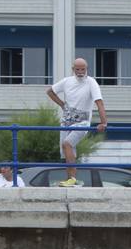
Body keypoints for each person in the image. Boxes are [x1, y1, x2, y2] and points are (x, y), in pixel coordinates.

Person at [46, 58, 108, 187]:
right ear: (73, 69)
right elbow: (50, 91)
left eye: (83, 69)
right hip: (66, 121)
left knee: (67, 144)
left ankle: (73, 178)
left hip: (82, 122)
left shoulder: (91, 82)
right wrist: (62, 104)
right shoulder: (67, 81)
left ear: (87, 69)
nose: (80, 72)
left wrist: (104, 122)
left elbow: (99, 102)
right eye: (78, 69)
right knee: (66, 150)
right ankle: (70, 180)